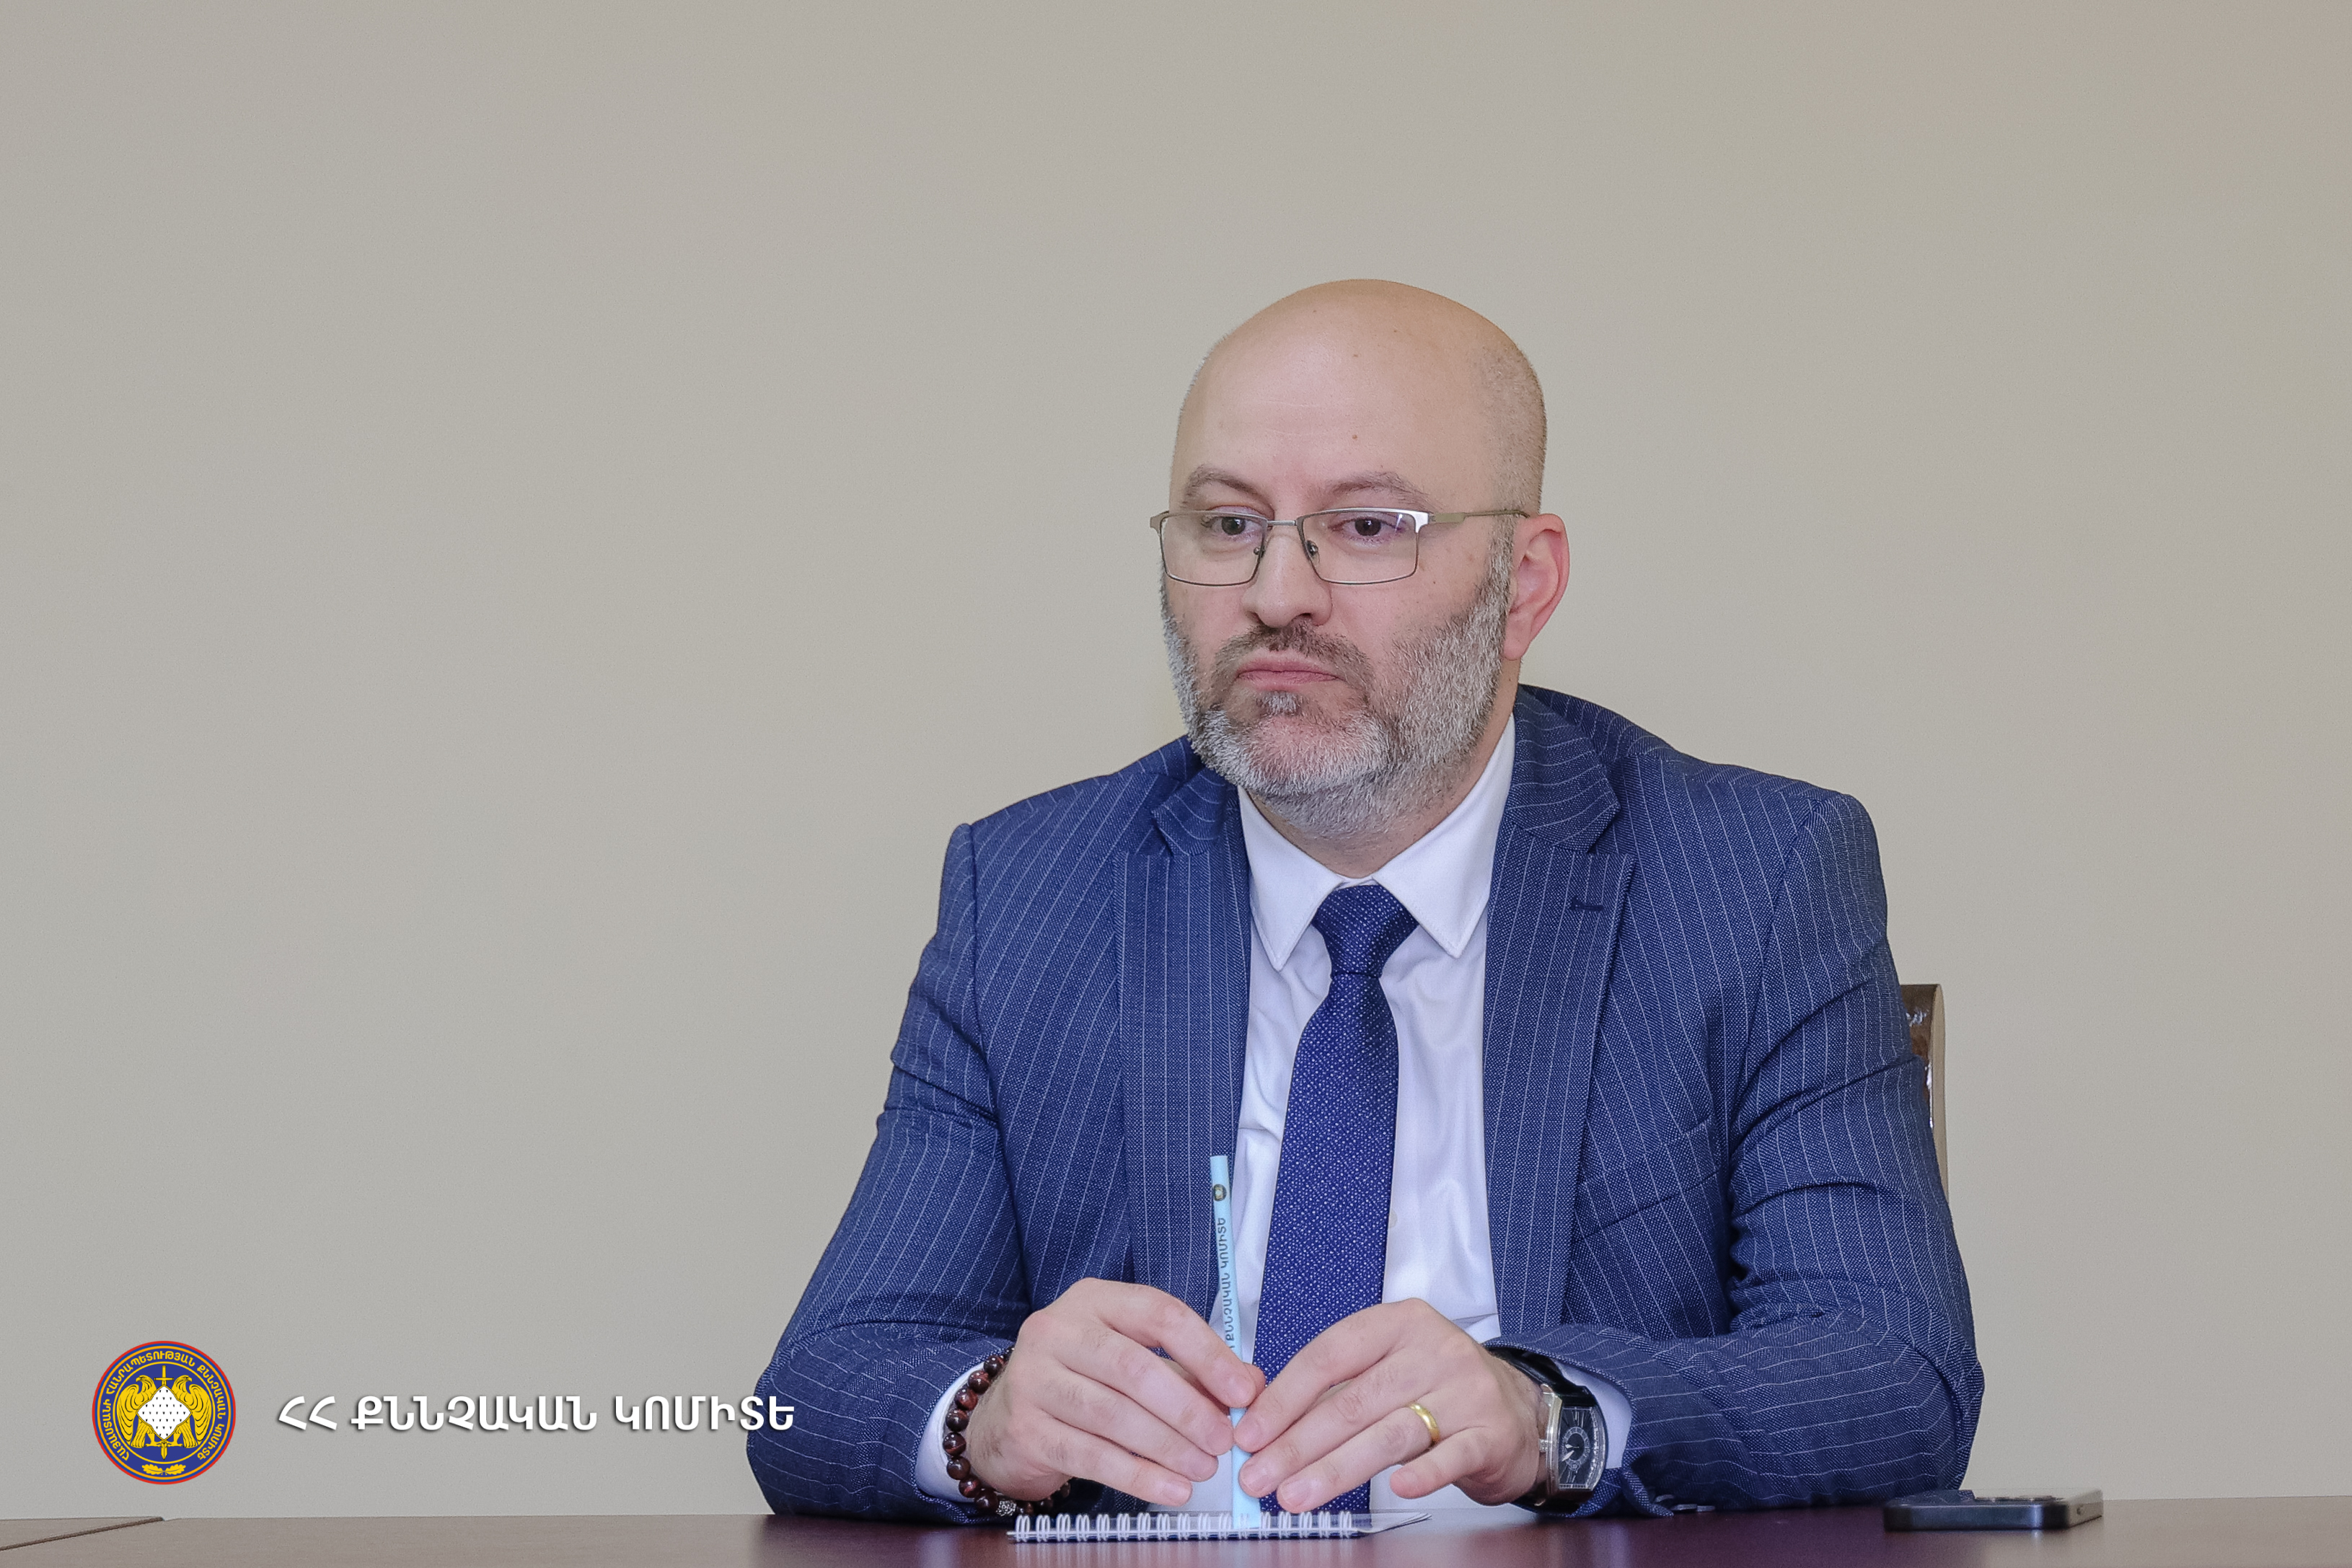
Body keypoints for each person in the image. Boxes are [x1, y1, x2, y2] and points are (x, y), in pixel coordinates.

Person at [747, 281, 1978, 1523]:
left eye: (1367, 525)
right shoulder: (1030, 892)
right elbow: (815, 1388)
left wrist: (1548, 1415)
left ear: (1523, 583)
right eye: (1228, 523)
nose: (1276, 592)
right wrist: (981, 1417)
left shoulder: (1750, 878)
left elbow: (1889, 1372)